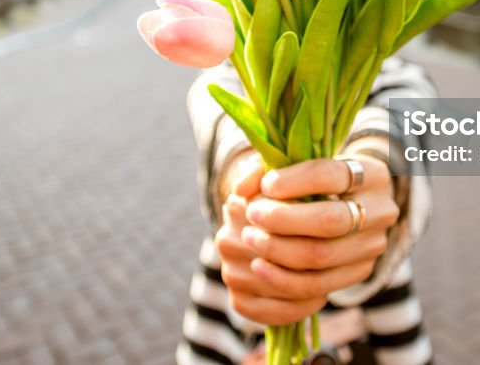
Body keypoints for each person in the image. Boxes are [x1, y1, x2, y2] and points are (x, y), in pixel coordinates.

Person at [178, 57, 436, 365]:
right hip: (245, 268)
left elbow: (399, 116)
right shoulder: (234, 61)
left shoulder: (395, 71)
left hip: (368, 298)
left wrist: (372, 165)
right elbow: (217, 102)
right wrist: (247, 176)